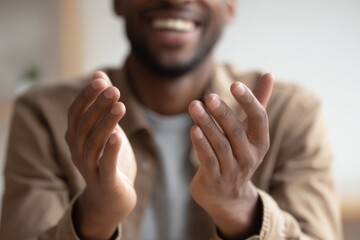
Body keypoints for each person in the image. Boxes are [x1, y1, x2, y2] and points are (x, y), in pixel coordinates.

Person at [0, 0, 342, 239]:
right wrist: (97, 212)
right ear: (118, 2)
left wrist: (241, 207)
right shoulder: (44, 114)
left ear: (230, 6)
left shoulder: (292, 115)